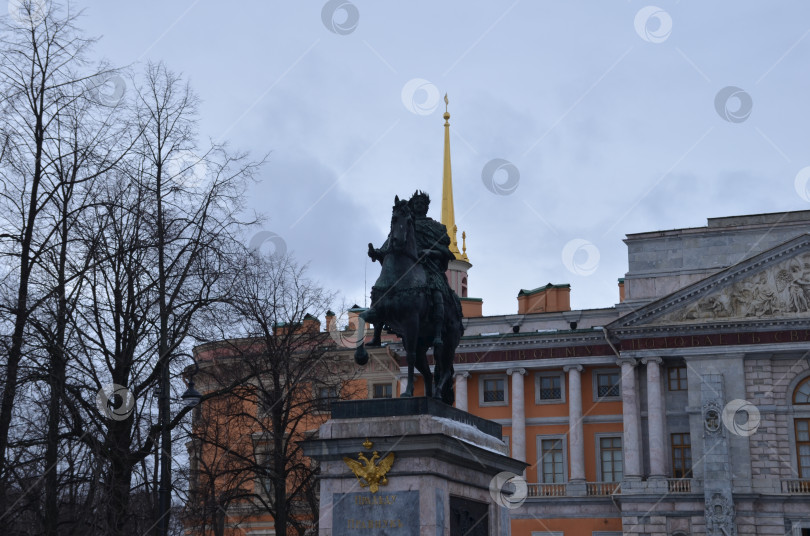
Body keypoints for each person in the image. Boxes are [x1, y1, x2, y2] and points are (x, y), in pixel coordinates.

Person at [367, 190, 458, 347]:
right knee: (383, 291)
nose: (419, 206)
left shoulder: (437, 228)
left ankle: (437, 333)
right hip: (406, 267)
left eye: (422, 204)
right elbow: (391, 242)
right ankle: (376, 336)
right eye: (416, 203)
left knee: (437, 290)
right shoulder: (405, 223)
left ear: (427, 207)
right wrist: (377, 252)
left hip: (428, 266)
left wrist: (430, 252)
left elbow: (446, 252)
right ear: (412, 206)